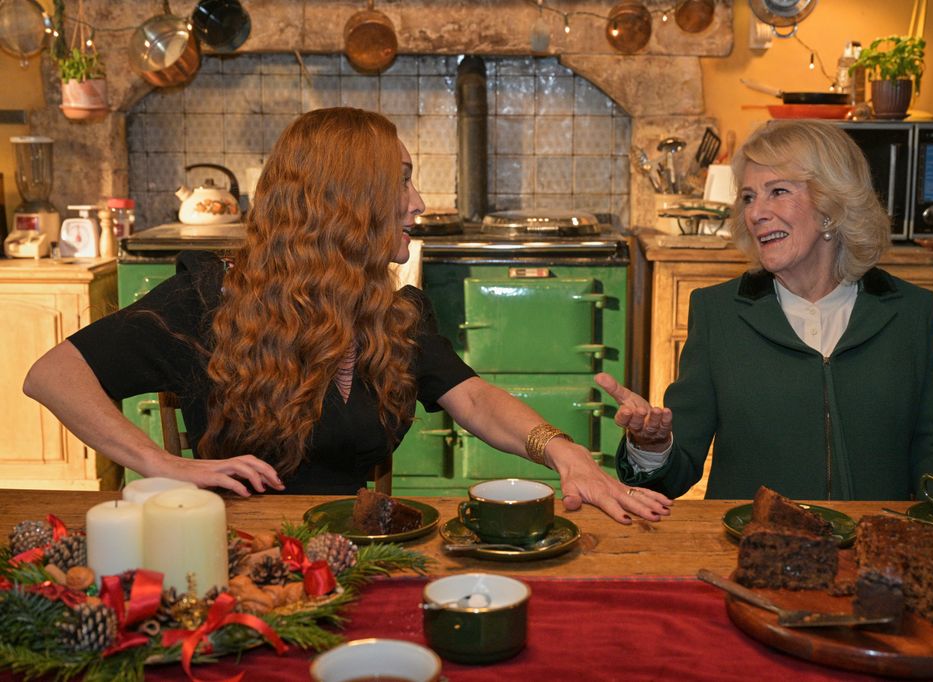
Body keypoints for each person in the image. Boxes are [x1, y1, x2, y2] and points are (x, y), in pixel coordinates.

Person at [23, 107, 671, 524]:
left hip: (358, 547)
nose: (418, 202)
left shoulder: (393, 318)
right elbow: (53, 374)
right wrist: (158, 463)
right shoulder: (208, 303)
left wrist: (564, 454)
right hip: (238, 559)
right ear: (344, 202)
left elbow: (475, 399)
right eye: (403, 180)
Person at [597, 119, 933, 501]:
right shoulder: (719, 314)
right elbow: (673, 474)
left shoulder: (909, 312)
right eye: (748, 197)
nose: (756, 213)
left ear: (831, 208)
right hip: (754, 548)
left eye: (777, 191)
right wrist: (651, 446)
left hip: (870, 549)